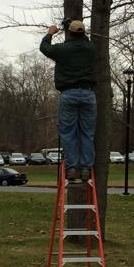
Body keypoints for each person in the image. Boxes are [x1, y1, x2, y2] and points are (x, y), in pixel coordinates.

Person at [40, 19, 97, 181]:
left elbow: (45, 48)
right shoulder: (91, 48)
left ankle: (72, 168)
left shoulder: (62, 50)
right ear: (83, 33)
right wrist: (73, 27)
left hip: (69, 93)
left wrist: (50, 33)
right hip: (88, 94)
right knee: (87, 133)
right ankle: (86, 169)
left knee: (68, 133)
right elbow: (84, 40)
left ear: (69, 33)